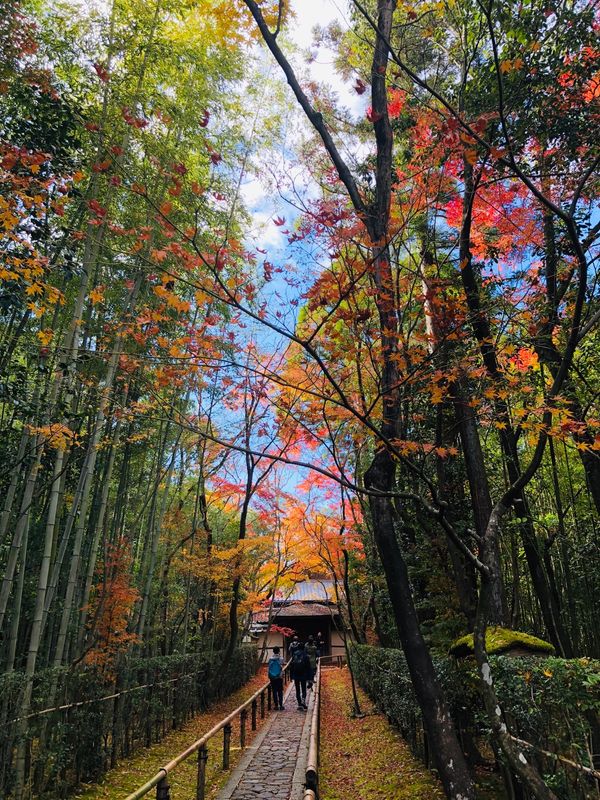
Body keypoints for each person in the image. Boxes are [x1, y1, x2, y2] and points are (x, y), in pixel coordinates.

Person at [290, 641, 310, 710]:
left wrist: (291, 676)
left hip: (296, 674)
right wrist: (310, 677)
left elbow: (292, 665)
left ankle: (299, 703)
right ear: (304, 648)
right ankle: (303, 701)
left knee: (297, 689)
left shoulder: (294, 654)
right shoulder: (305, 655)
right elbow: (308, 667)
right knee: (303, 688)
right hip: (303, 674)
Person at [267, 646, 285, 710]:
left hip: (272, 677)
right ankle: (281, 705)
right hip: (279, 677)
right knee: (280, 691)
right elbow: (282, 665)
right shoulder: (281, 658)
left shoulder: (270, 659)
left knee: (274, 691)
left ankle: (276, 705)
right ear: (279, 651)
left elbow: (269, 668)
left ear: (273, 651)